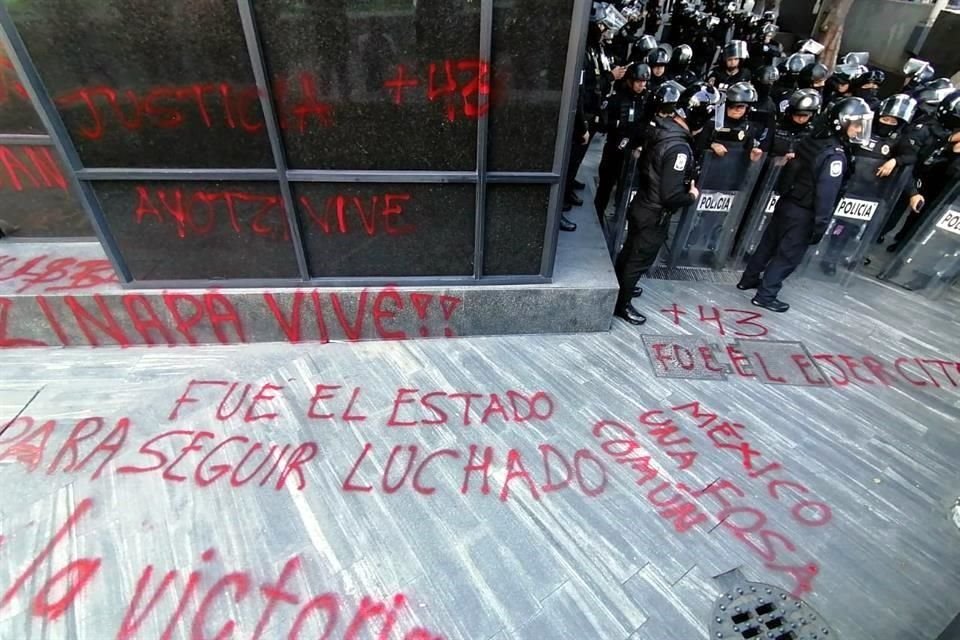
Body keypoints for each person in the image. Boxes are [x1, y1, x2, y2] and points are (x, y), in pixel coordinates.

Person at [737, 97, 871, 312]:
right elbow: (826, 193)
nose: (857, 130)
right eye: (855, 125)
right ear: (841, 123)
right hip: (805, 211)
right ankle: (766, 295)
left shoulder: (813, 139)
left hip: (788, 201)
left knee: (768, 244)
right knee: (788, 255)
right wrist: (821, 224)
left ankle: (748, 279)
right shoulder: (834, 155)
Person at [614, 83, 720, 325]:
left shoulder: (663, 128)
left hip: (643, 203)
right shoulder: (678, 147)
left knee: (630, 252)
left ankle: (621, 290)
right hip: (654, 213)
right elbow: (670, 195)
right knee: (638, 259)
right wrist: (692, 195)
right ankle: (622, 303)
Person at [882, 90, 960, 252]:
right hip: (903, 178)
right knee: (888, 216)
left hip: (924, 179)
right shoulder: (923, 128)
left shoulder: (945, 132)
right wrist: (912, 191)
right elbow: (908, 159)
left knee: (900, 218)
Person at [595, 64, 651, 222]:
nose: (642, 85)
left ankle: (620, 218)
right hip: (615, 149)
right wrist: (619, 124)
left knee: (627, 188)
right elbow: (603, 123)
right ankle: (598, 215)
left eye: (645, 82)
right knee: (605, 185)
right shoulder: (617, 99)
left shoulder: (646, 100)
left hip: (635, 151)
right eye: (639, 81)